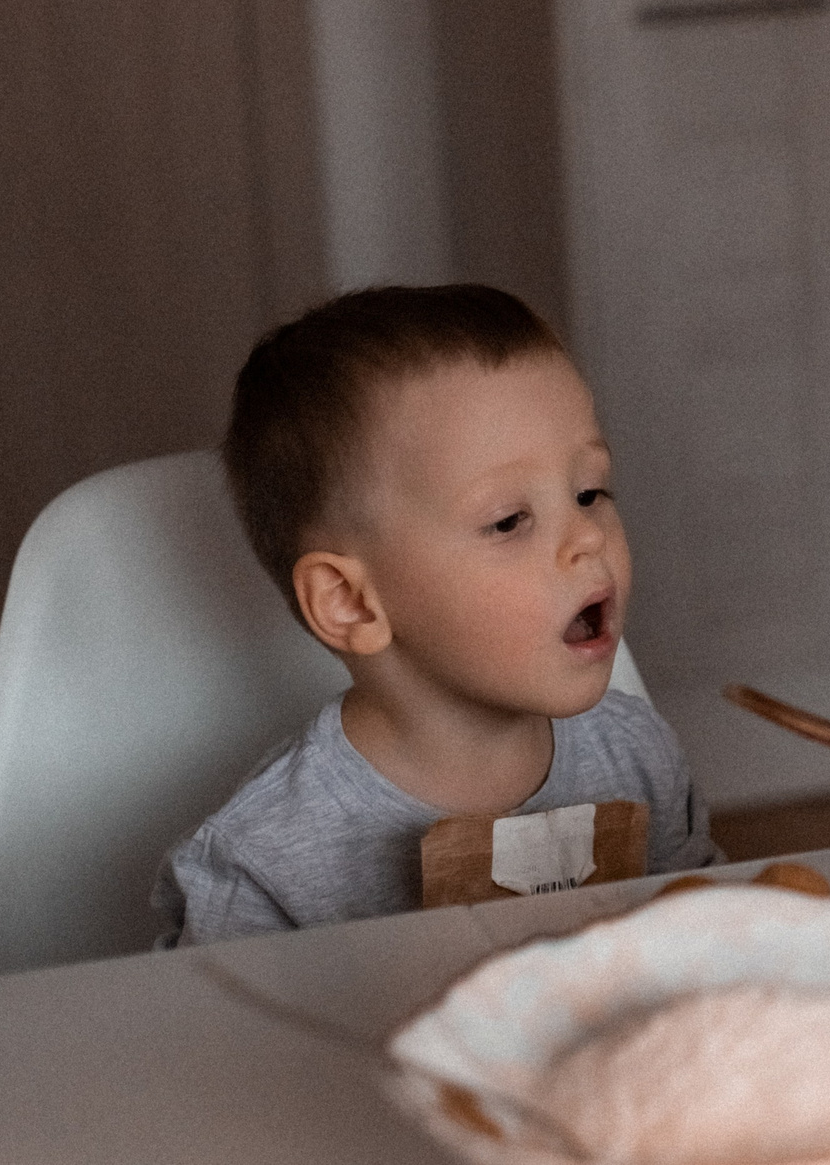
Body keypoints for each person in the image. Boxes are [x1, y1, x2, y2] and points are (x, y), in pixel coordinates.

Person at [155, 284, 717, 946]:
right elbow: (221, 1046)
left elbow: (709, 963)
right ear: (351, 601)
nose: (588, 537)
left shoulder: (640, 756)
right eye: (510, 520)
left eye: (589, 492)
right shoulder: (263, 865)